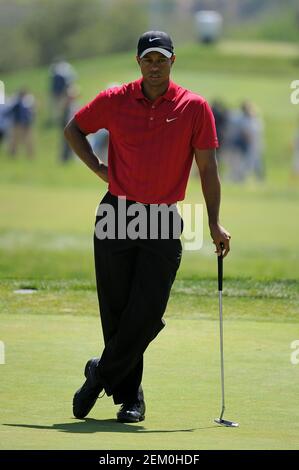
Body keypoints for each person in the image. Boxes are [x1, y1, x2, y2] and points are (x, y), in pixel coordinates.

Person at [64, 31, 231, 423]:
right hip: (116, 213)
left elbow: (208, 168)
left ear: (173, 61)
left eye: (162, 59)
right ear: (139, 63)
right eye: (148, 60)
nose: (155, 67)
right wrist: (101, 170)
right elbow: (74, 130)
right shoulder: (114, 100)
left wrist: (214, 221)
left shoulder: (194, 107)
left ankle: (99, 374)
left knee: (147, 310)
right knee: (118, 311)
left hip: (162, 218)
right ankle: (131, 398)